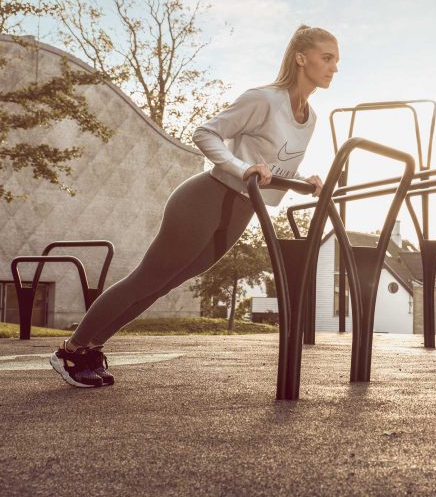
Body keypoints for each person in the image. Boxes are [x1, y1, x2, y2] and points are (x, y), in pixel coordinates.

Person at [50, 25, 339, 388]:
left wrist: (305, 183)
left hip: (242, 211)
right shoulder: (265, 99)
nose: (334, 67)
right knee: (147, 278)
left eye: (336, 61)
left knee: (163, 285)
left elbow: (273, 169)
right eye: (327, 58)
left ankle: (91, 348)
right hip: (207, 198)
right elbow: (205, 133)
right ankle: (71, 349)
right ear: (301, 58)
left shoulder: (309, 118)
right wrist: (239, 167)